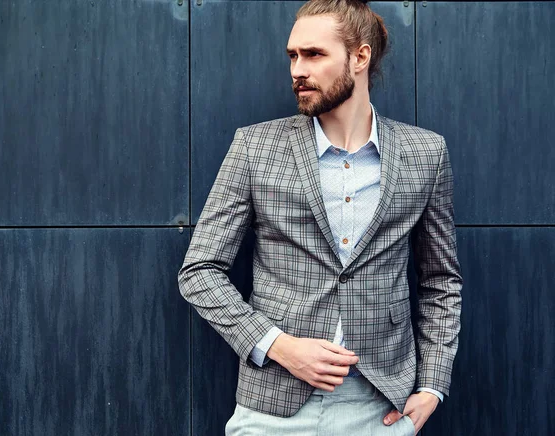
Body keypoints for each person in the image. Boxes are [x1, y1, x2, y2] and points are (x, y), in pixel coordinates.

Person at [178, 0, 462, 434]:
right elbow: (199, 271)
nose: (297, 69)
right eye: (293, 55)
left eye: (314, 54)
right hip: (273, 404)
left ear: (360, 57)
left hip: (382, 405)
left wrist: (433, 385)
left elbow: (441, 280)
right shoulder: (255, 147)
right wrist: (278, 345)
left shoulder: (426, 154)